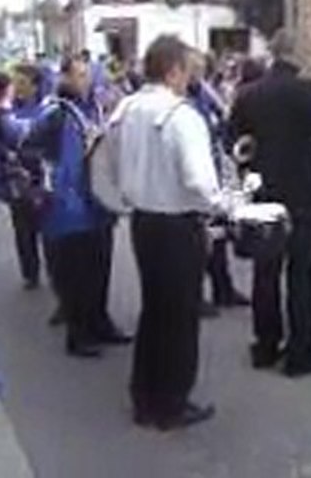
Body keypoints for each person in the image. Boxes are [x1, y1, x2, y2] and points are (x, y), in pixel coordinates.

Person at [114, 35, 221, 430]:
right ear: (174, 69)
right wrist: (221, 206)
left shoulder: (126, 108)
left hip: (142, 221)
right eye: (188, 71)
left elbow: (108, 161)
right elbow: (199, 180)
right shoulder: (182, 115)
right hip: (178, 225)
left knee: (154, 310)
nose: (190, 79)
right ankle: (172, 403)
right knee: (179, 317)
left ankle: (145, 396)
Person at [229, 30, 311, 377]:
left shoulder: (248, 94)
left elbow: (233, 140)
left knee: (266, 272)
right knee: (302, 276)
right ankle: (300, 352)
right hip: (304, 192)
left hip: (263, 192)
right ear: (298, 55)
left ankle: (265, 344)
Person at [25, 55, 128, 358]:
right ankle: (78, 334)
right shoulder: (55, 113)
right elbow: (27, 148)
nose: (86, 81)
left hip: (98, 206)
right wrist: (45, 182)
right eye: (79, 75)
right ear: (65, 78)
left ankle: (101, 323)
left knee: (100, 270)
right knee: (76, 276)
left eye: (88, 75)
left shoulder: (94, 109)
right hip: (68, 209)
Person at [185, 51, 248, 313]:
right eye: (194, 69)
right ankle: (194, 296)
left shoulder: (204, 94)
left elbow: (222, 123)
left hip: (213, 172)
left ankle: (224, 289)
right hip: (192, 177)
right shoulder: (182, 100)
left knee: (218, 234)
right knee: (197, 240)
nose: (198, 74)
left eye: (201, 69)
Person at [5, 63, 46, 290]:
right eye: (15, 83)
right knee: (23, 232)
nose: (17, 88)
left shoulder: (46, 110)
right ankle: (30, 274)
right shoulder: (7, 110)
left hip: (41, 179)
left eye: (22, 83)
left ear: (35, 85)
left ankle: (59, 282)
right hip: (17, 180)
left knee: (50, 233)